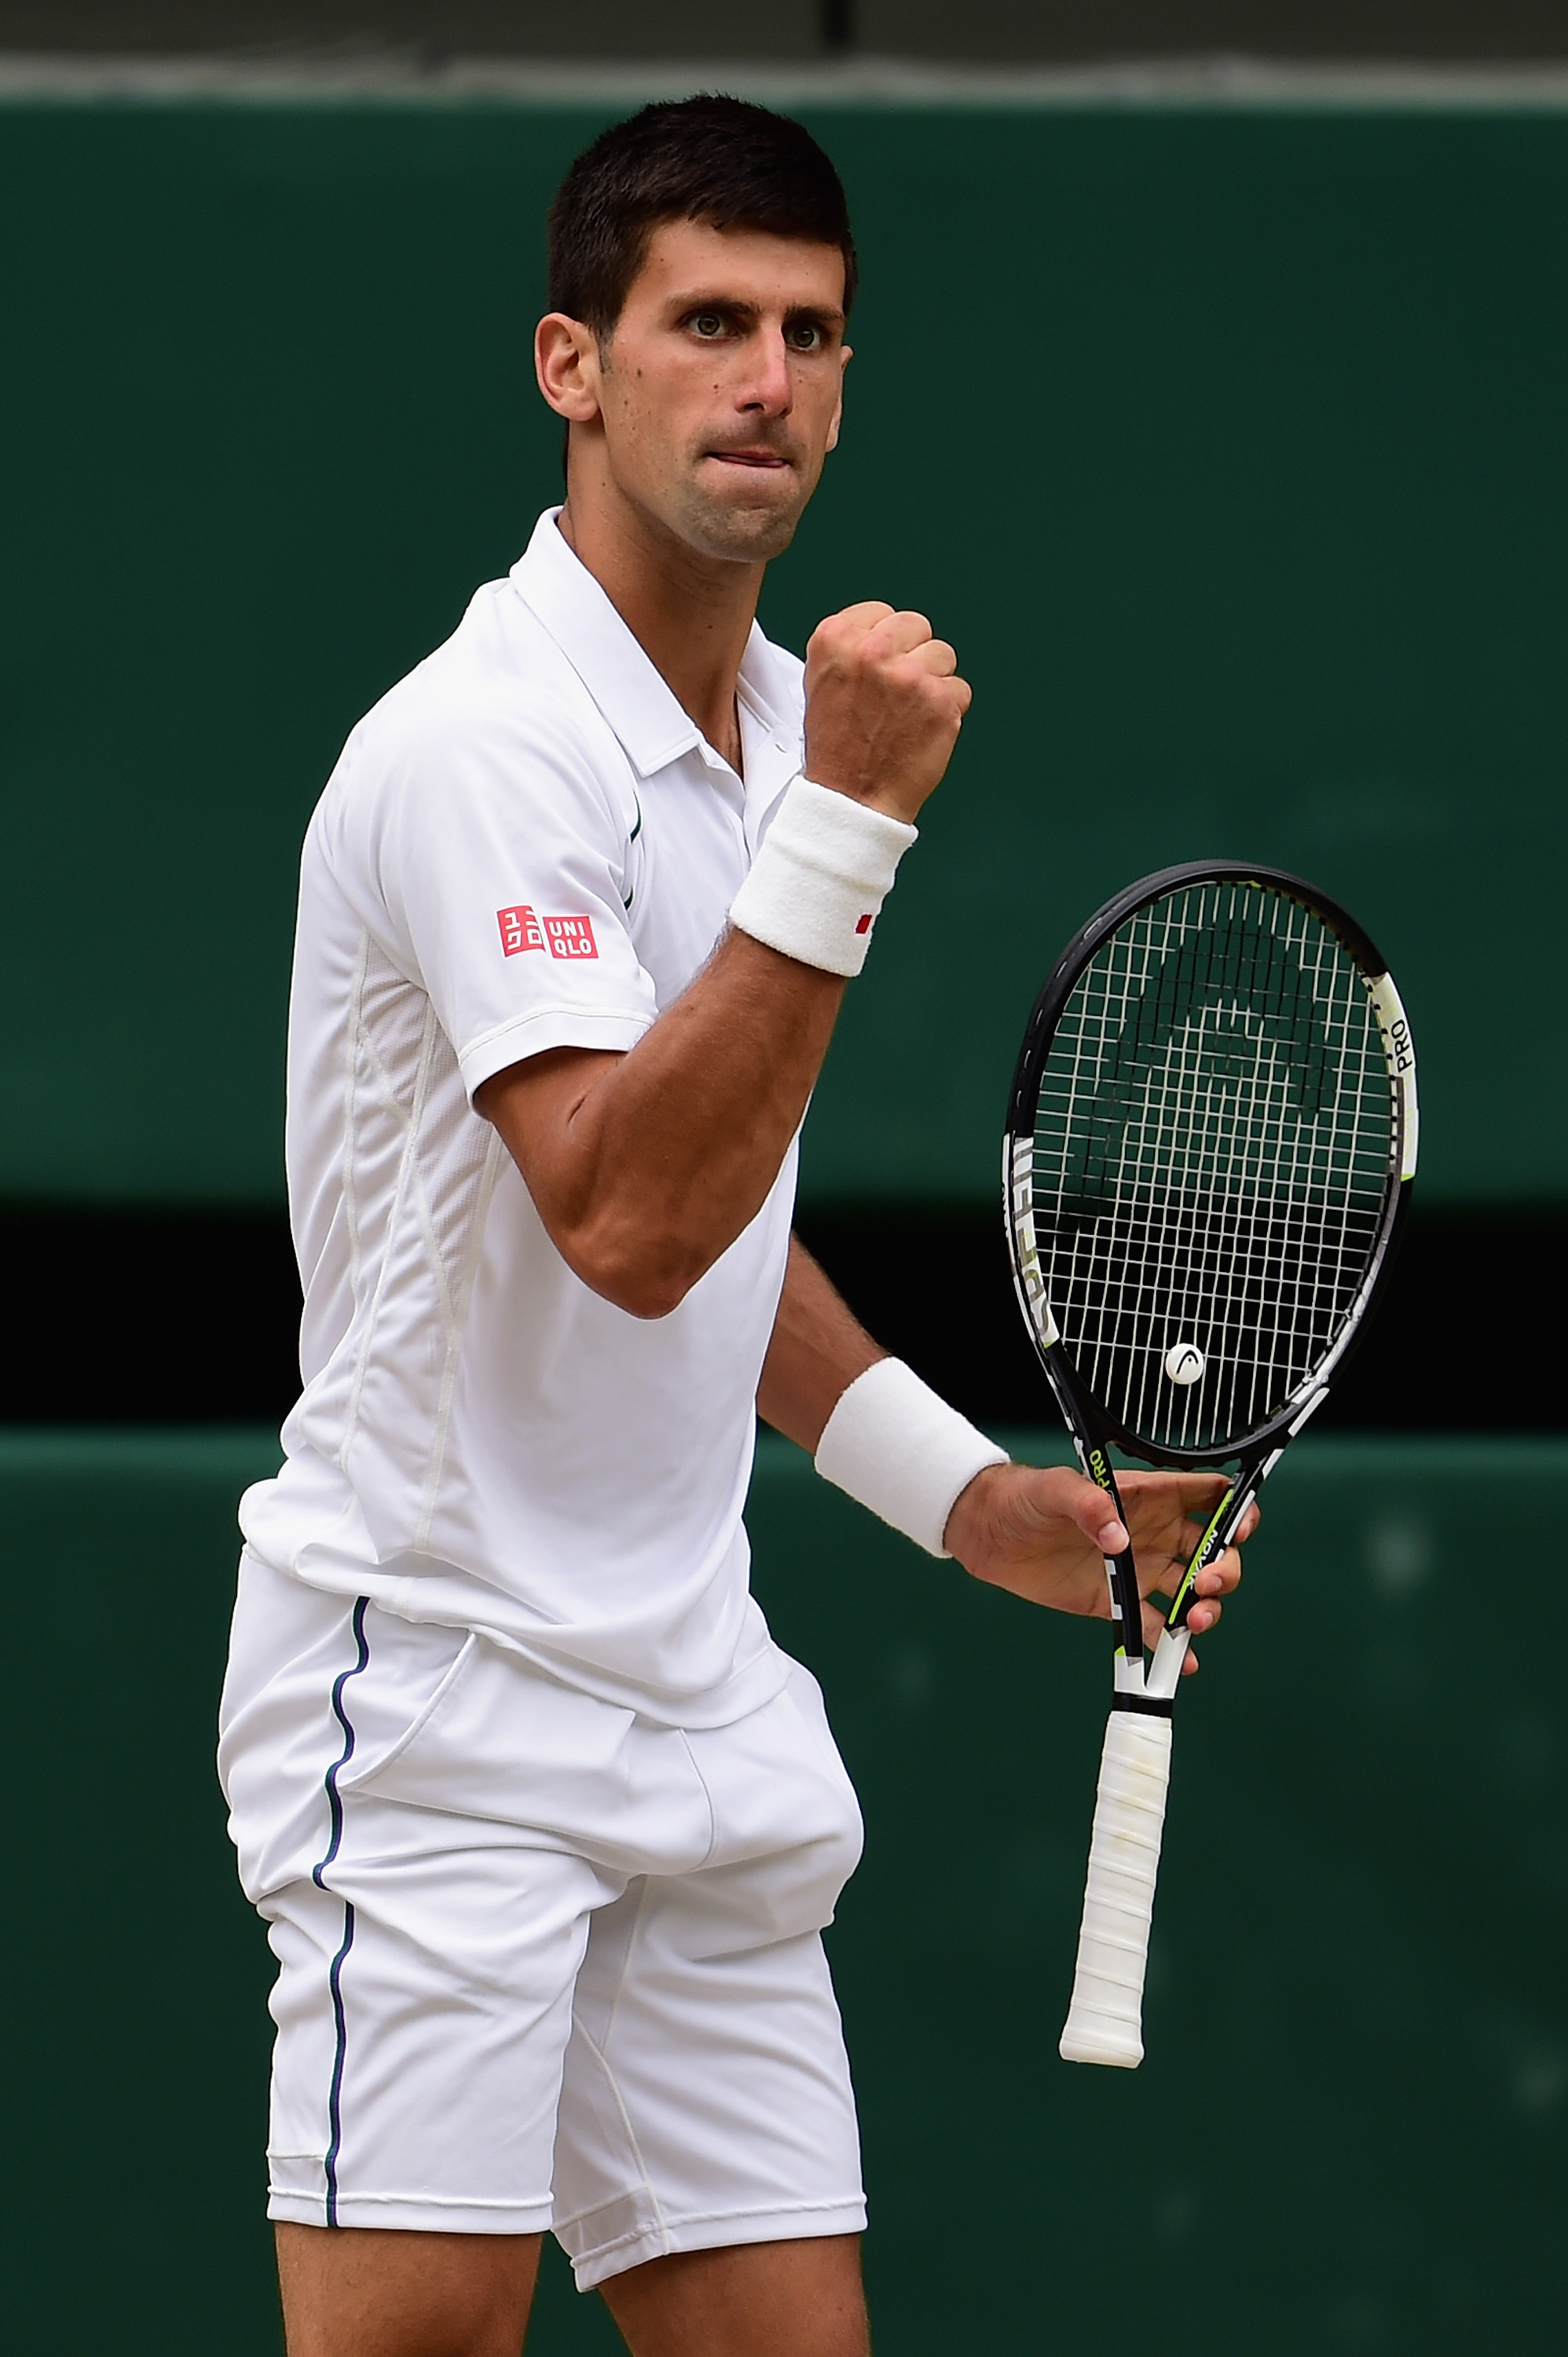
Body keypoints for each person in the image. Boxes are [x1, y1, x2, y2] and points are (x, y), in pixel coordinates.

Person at [218, 94, 1250, 2357]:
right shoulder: (482, 745)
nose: (766, 378)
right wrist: (852, 825)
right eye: (705, 323)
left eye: (811, 331)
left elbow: (729, 1217)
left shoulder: (787, 727)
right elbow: (626, 1214)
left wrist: (969, 1501)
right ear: (569, 365)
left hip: (691, 1711)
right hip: (440, 1697)